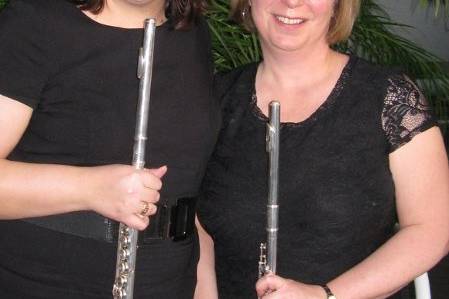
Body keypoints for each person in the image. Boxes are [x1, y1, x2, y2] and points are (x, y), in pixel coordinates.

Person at [195, 0, 449, 298]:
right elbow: (193, 223)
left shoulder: (390, 97)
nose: (292, 2)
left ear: (337, 5)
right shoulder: (212, 99)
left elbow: (432, 230)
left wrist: (324, 295)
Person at [0, 0, 220, 298]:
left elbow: (183, 186)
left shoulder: (190, 33)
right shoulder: (36, 20)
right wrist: (89, 188)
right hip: (44, 282)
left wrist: (203, 285)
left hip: (169, 283)